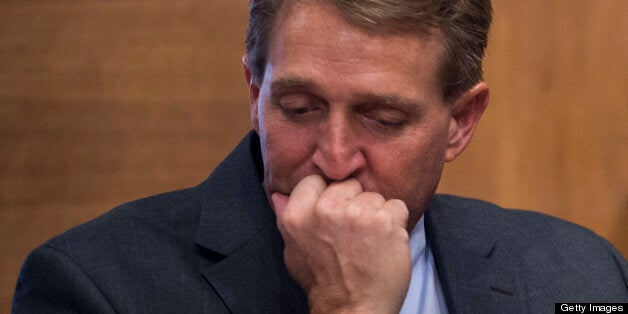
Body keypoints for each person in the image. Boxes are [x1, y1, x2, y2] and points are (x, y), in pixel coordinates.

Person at [12, 0, 627, 313]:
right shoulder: (96, 287)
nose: (333, 159)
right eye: (300, 108)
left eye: (383, 120)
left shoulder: (582, 274)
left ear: (459, 123)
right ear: (255, 94)